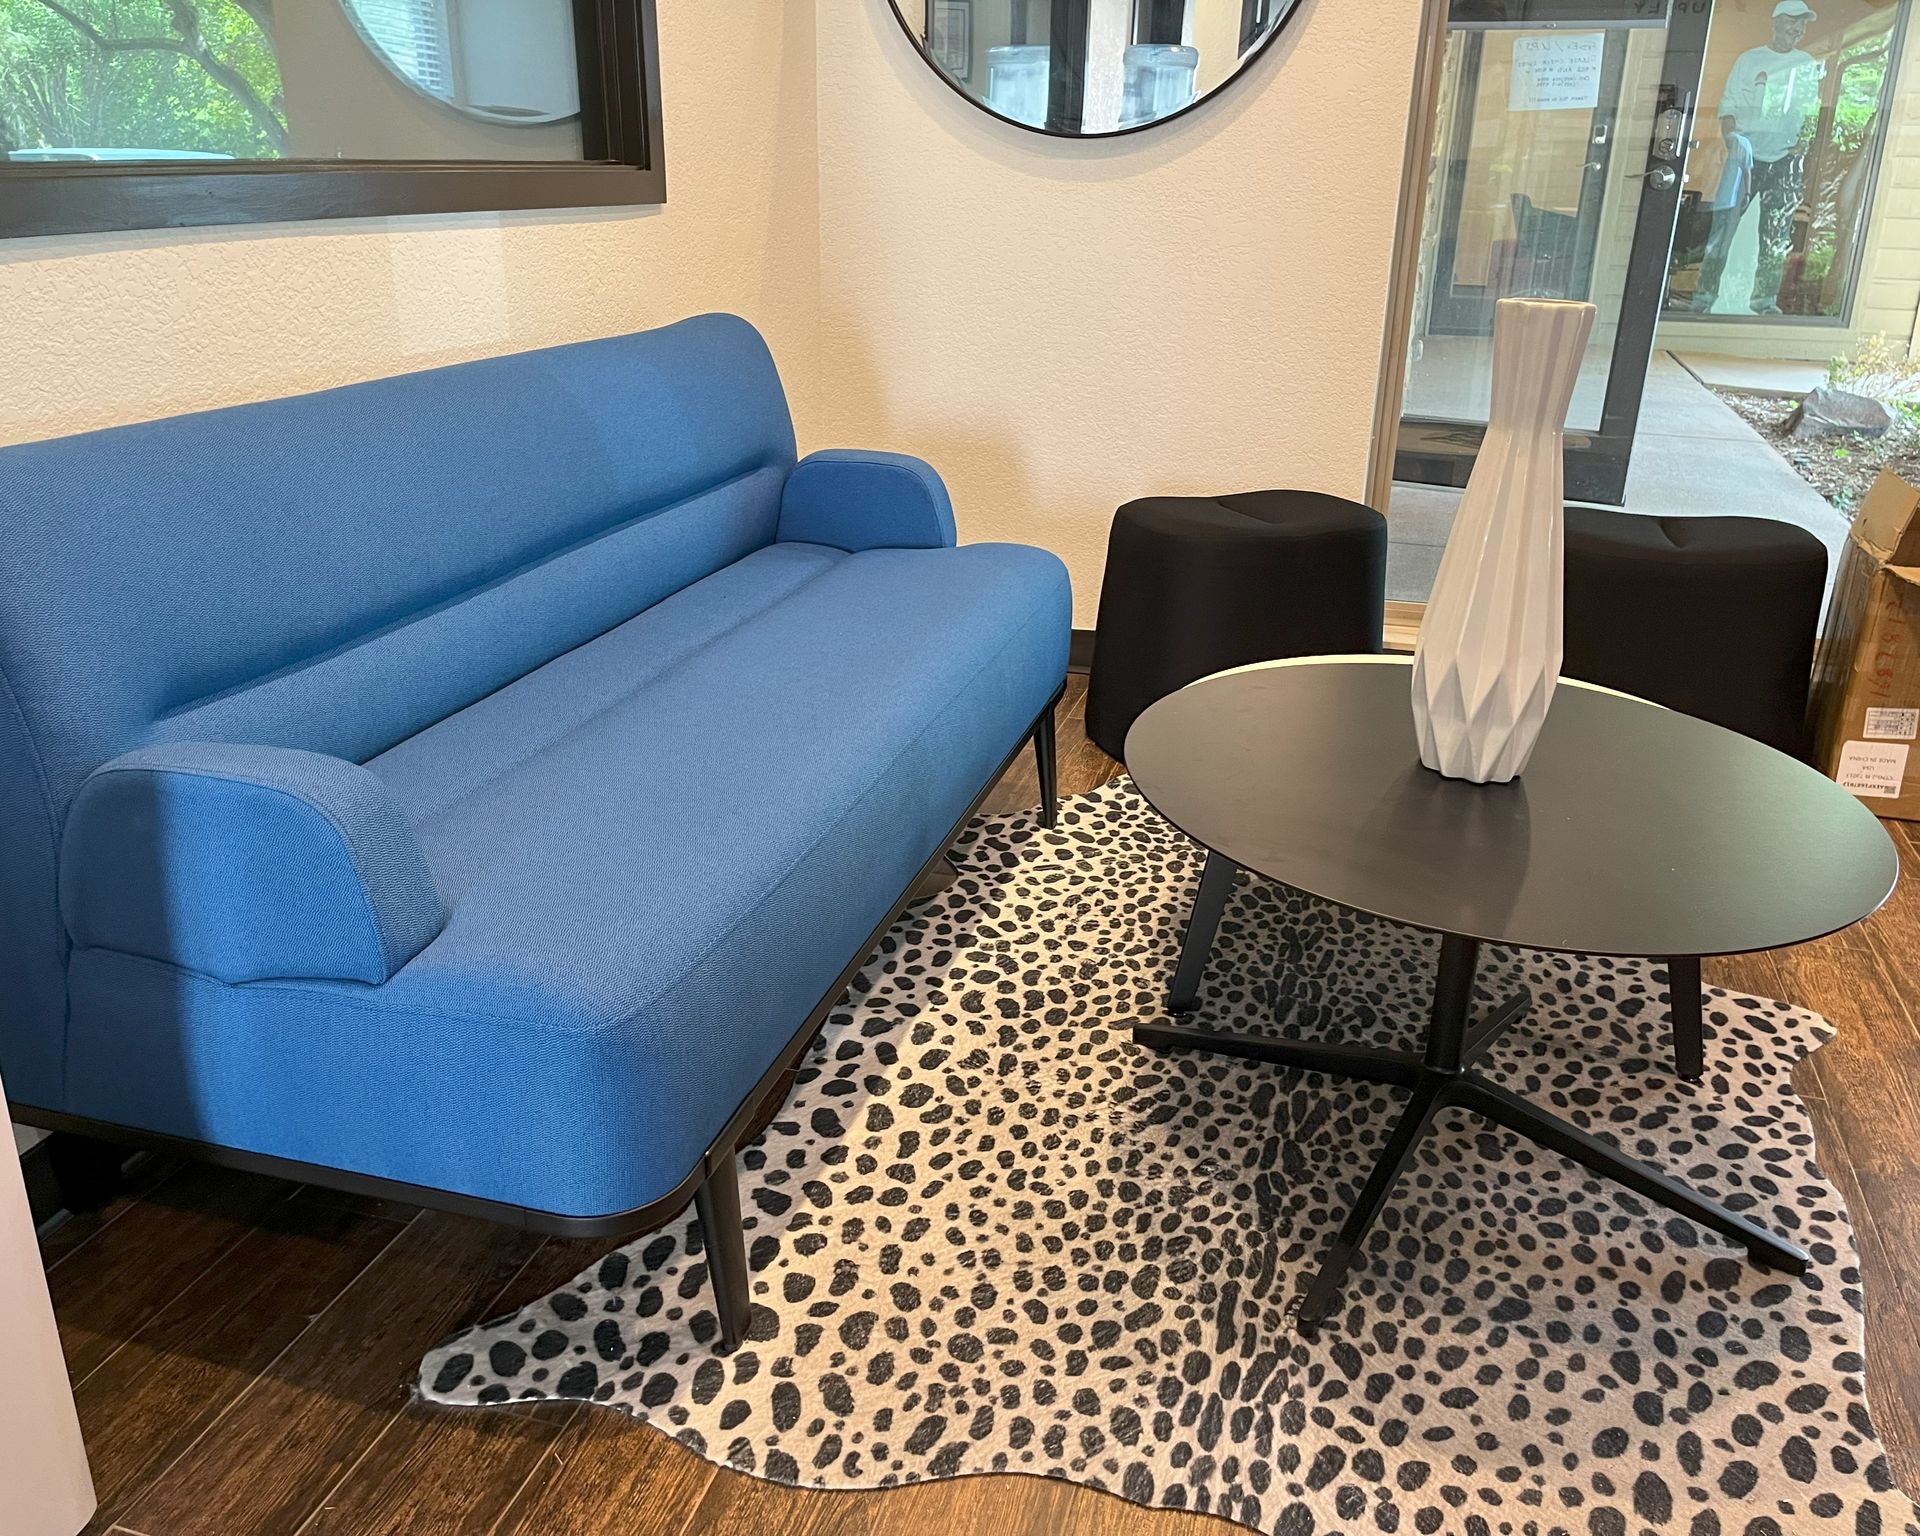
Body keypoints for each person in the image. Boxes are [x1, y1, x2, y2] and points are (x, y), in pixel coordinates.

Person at [1692, 0, 1825, 315]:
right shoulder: (1749, 60)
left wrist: (1802, 145)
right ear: (1776, 22)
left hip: (1784, 161)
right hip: (1745, 157)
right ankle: (1704, 298)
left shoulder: (1806, 64)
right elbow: (1730, 106)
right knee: (1723, 229)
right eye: (1792, 22)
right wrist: (1732, 141)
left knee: (1776, 234)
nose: (1798, 29)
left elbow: (1811, 112)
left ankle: (1764, 301)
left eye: (1802, 24)